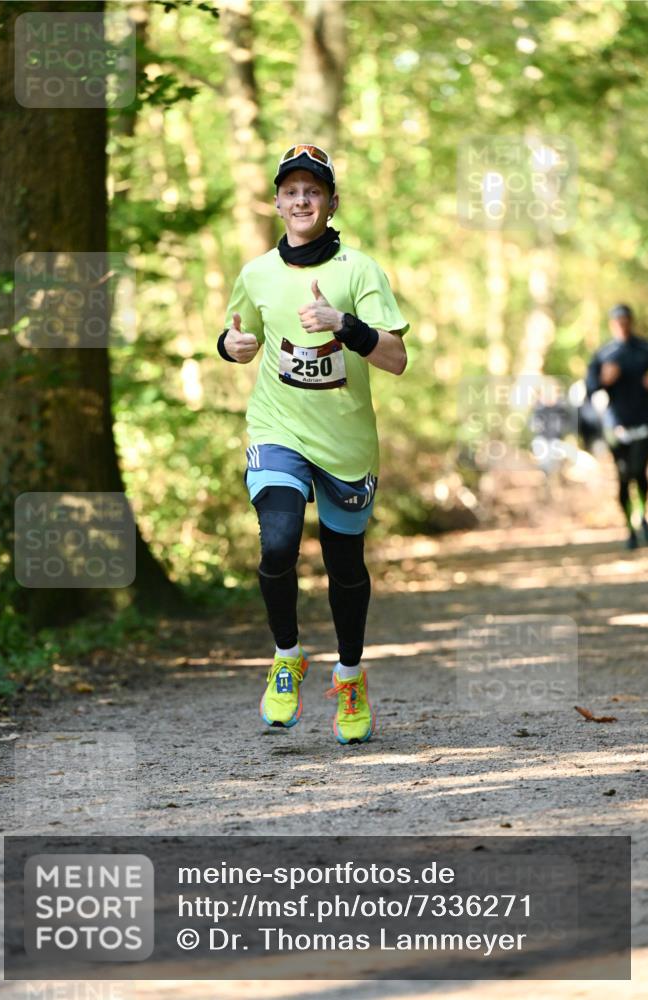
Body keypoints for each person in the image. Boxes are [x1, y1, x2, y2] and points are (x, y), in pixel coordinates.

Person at [218, 143, 409, 744]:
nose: (302, 200)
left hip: (346, 443)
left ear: (331, 202)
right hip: (278, 430)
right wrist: (231, 347)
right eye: (291, 191)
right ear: (277, 203)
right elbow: (236, 334)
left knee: (343, 564)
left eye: (313, 191)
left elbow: (396, 358)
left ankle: (349, 676)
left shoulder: (360, 270)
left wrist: (343, 325)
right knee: (278, 544)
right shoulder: (256, 273)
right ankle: (287, 657)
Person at [585, 304, 648, 549]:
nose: (622, 325)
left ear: (631, 321)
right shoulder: (604, 353)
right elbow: (589, 388)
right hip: (616, 425)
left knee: (638, 472)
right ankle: (630, 529)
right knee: (623, 476)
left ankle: (642, 518)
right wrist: (603, 380)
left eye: (625, 320)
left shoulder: (645, 349)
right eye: (617, 321)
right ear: (612, 324)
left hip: (644, 422)